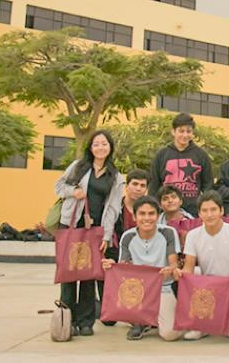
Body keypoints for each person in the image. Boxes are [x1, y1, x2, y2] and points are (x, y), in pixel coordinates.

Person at [53, 130, 125, 336]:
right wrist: (73, 192)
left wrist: (105, 235)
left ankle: (85, 322)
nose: (100, 147)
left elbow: (113, 209)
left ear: (110, 147)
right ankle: (67, 319)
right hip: (71, 226)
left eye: (104, 144)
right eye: (96, 144)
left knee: (88, 275)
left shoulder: (115, 176)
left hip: (94, 230)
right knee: (68, 275)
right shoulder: (79, 167)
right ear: (90, 147)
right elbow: (58, 186)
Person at [102, 196, 182, 341]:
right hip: (138, 290)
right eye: (142, 214)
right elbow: (124, 267)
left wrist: (169, 270)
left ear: (158, 216)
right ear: (134, 216)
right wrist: (112, 265)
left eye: (151, 214)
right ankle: (140, 321)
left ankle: (151, 318)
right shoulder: (127, 236)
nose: (147, 218)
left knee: (169, 335)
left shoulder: (168, 233)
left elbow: (173, 264)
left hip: (163, 287)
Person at [180, 191, 229, 340]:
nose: (209, 214)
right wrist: (182, 277)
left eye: (213, 209)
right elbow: (189, 267)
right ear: (199, 213)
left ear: (221, 211)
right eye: (205, 211)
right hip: (206, 289)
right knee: (179, 284)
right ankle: (201, 324)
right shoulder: (193, 235)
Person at [148, 113, 214, 215]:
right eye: (181, 131)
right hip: (166, 212)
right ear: (173, 132)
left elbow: (208, 185)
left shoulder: (201, 155)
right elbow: (154, 186)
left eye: (188, 131)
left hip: (193, 212)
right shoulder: (161, 155)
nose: (185, 135)